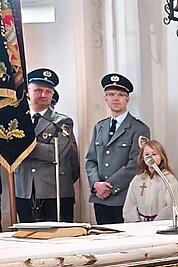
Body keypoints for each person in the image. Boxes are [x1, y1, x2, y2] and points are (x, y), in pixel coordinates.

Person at [13, 68, 80, 222]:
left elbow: (55, 153)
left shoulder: (62, 122)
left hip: (54, 191)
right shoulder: (17, 121)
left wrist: (22, 143)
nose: (43, 95)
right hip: (24, 190)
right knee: (29, 240)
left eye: (48, 91)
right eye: (38, 90)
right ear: (28, 92)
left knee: (60, 241)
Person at [85, 73, 151, 225]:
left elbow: (135, 163)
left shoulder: (139, 128)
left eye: (121, 94)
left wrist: (109, 187)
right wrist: (96, 184)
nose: (116, 98)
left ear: (127, 99)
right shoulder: (99, 127)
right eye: (111, 94)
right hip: (100, 197)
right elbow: (91, 160)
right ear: (105, 99)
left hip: (123, 196)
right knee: (103, 241)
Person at [122, 139, 178, 223]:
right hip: (140, 225)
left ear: (161, 156)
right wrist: (135, 222)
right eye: (147, 154)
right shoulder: (138, 179)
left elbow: (170, 206)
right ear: (142, 158)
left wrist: (156, 223)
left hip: (160, 224)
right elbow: (130, 204)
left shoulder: (169, 179)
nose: (150, 157)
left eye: (154, 154)